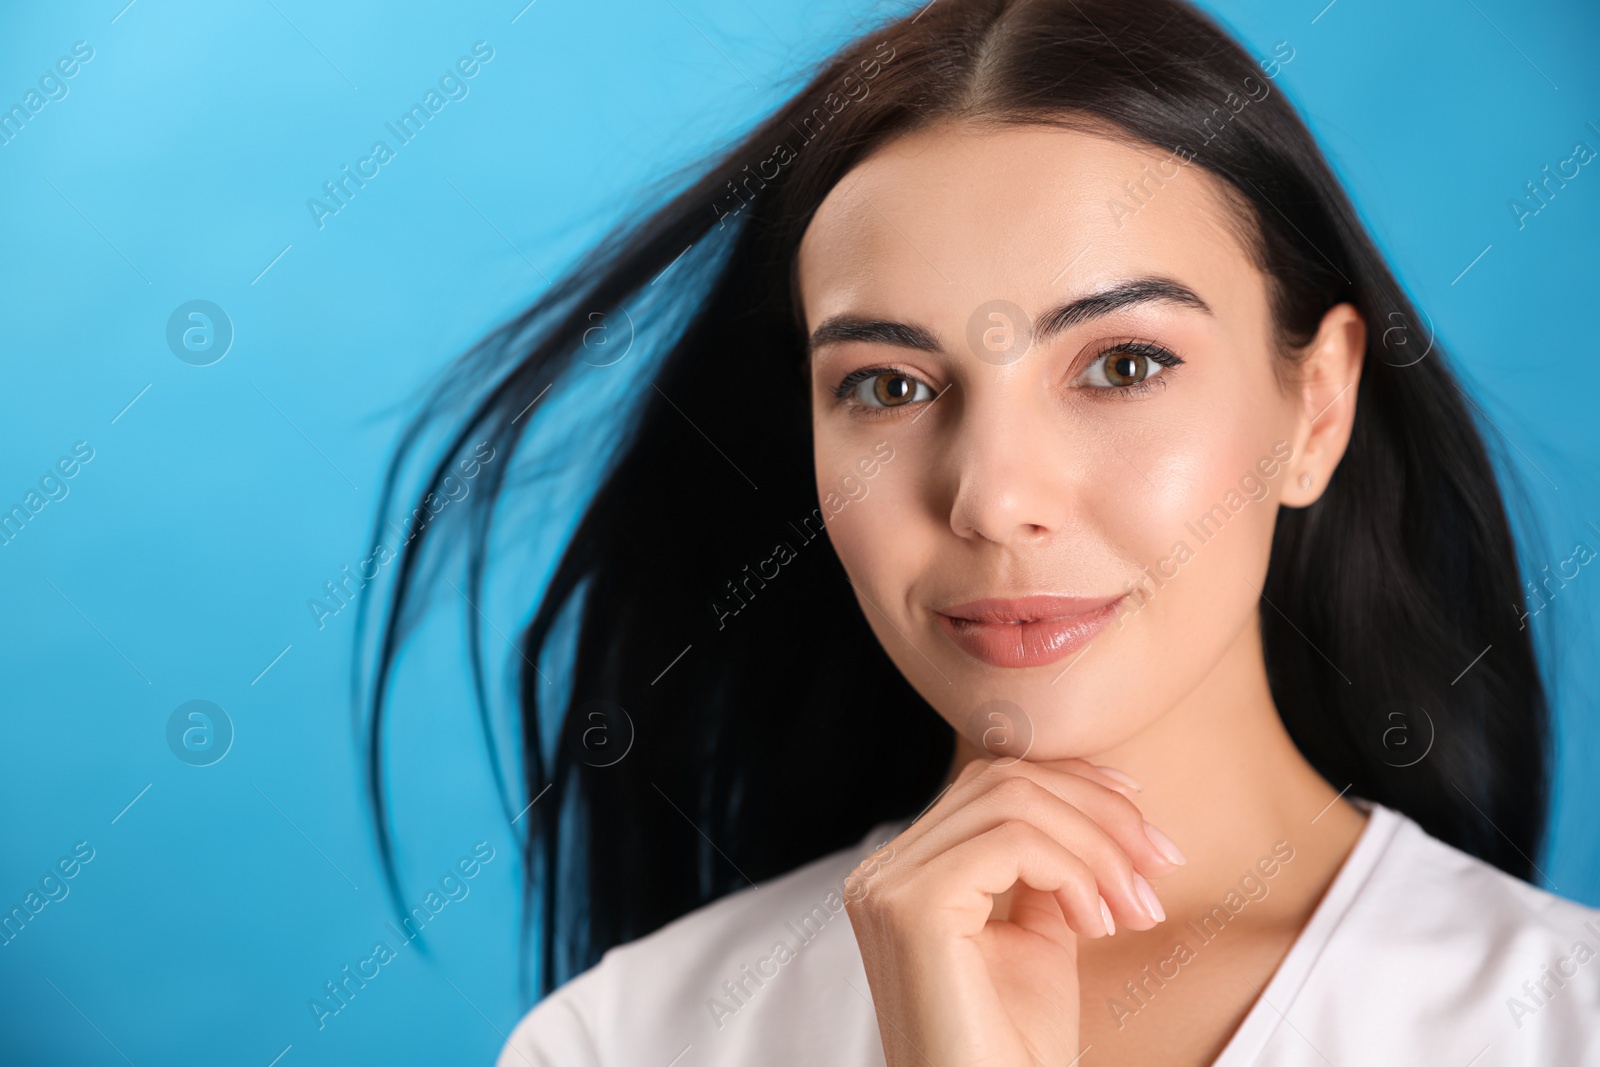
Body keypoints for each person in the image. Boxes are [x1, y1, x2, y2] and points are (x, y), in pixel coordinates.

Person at [360, 0, 1600, 1063]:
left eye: (1122, 362)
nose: (993, 499)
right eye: (889, 386)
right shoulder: (628, 1039)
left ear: (1317, 404)